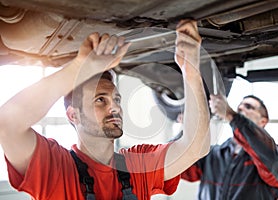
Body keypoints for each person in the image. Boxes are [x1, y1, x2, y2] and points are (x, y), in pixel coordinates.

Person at [0, 19, 210, 200]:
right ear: (74, 115)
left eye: (116, 99)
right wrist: (79, 68)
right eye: (100, 100)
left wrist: (190, 69)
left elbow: (195, 147)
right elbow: (8, 123)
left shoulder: (137, 166)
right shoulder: (55, 168)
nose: (115, 107)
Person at [181, 94, 278, 200]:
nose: (240, 108)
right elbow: (175, 166)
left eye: (248, 107)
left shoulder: (276, 155)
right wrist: (187, 129)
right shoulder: (213, 154)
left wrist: (231, 115)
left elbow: (271, 160)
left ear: (263, 122)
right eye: (240, 105)